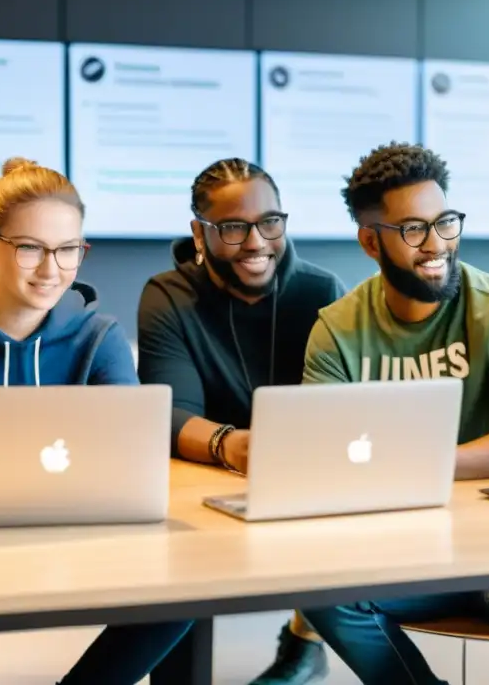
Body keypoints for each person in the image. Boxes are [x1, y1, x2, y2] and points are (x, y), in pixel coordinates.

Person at [294, 142, 489, 685]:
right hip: (411, 553)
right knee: (317, 588)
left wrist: (408, 465)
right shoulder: (337, 331)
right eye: (413, 229)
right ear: (370, 241)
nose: (437, 244)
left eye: (446, 222)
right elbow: (324, 462)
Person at [0, 157, 193, 685]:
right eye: (30, 248)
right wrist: (63, 469)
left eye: (68, 249)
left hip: (76, 553)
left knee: (189, 588)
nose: (51, 269)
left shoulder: (99, 336)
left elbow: (133, 458)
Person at [136, 157, 345, 684]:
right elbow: (169, 414)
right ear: (199, 233)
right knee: (174, 566)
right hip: (201, 479)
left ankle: (304, 641)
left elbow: (342, 410)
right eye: (233, 227)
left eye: (270, 222)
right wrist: (234, 445)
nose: (256, 242)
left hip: (301, 480)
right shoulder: (169, 296)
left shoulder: (322, 293)